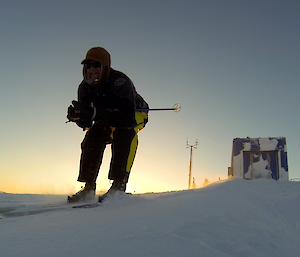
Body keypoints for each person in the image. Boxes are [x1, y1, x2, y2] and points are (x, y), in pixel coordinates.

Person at [66, 47, 148, 203]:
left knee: (124, 133)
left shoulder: (120, 82)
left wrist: (95, 113)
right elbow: (88, 123)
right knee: (93, 135)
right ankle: (88, 187)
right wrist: (79, 117)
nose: (92, 69)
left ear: (105, 66)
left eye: (96, 65)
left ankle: (119, 185)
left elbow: (127, 118)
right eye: (88, 66)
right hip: (107, 119)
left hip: (135, 113)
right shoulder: (84, 88)